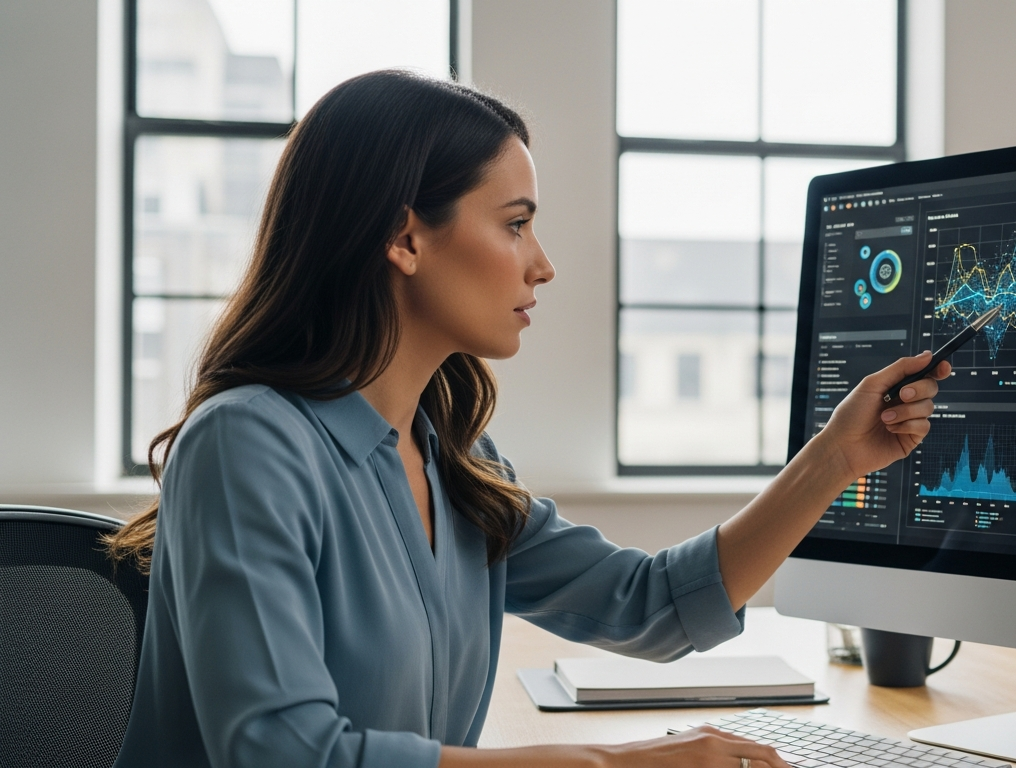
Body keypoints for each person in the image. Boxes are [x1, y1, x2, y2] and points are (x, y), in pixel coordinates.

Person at [106, 70, 947, 768]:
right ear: (405, 239)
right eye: (514, 225)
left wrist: (835, 456)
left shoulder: (459, 459)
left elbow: (648, 603)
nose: (542, 265)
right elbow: (283, 753)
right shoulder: (248, 444)